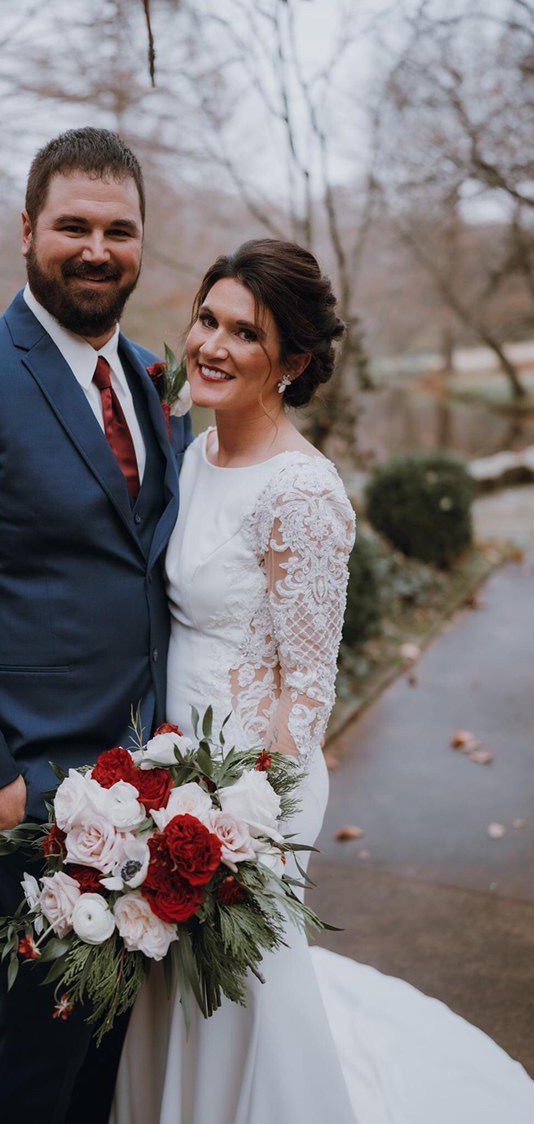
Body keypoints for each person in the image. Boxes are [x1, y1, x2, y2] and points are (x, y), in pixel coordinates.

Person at [111, 239, 534, 1123]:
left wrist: (237, 820)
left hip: (254, 787)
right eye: (207, 319)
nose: (212, 345)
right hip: (169, 765)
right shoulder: (193, 456)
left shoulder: (302, 495)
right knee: (170, 995)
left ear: (293, 361)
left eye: (245, 333)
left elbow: (307, 690)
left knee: (240, 1000)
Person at [0, 127, 192, 1124]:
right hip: (34, 779)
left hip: (151, 777)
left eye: (119, 229)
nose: (97, 248)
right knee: (33, 1063)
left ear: (141, 243)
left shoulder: (150, 380)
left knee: (104, 1051)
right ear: (26, 231)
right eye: (73, 226)